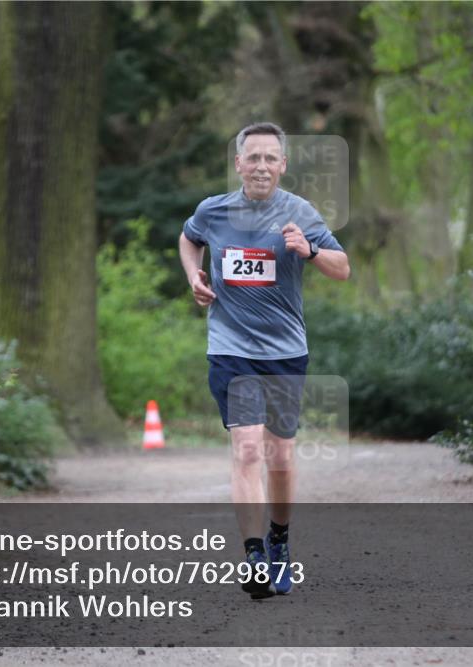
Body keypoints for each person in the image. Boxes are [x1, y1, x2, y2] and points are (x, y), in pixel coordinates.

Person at [178, 122, 350, 599]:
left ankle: (279, 538)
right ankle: (254, 556)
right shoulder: (214, 211)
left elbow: (343, 268)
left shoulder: (300, 212)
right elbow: (189, 238)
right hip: (231, 349)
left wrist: (311, 250)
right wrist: (194, 275)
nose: (261, 166)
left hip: (285, 353)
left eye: (270, 158)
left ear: (283, 165)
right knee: (248, 448)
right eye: (252, 157)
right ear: (238, 164)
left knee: (279, 456)